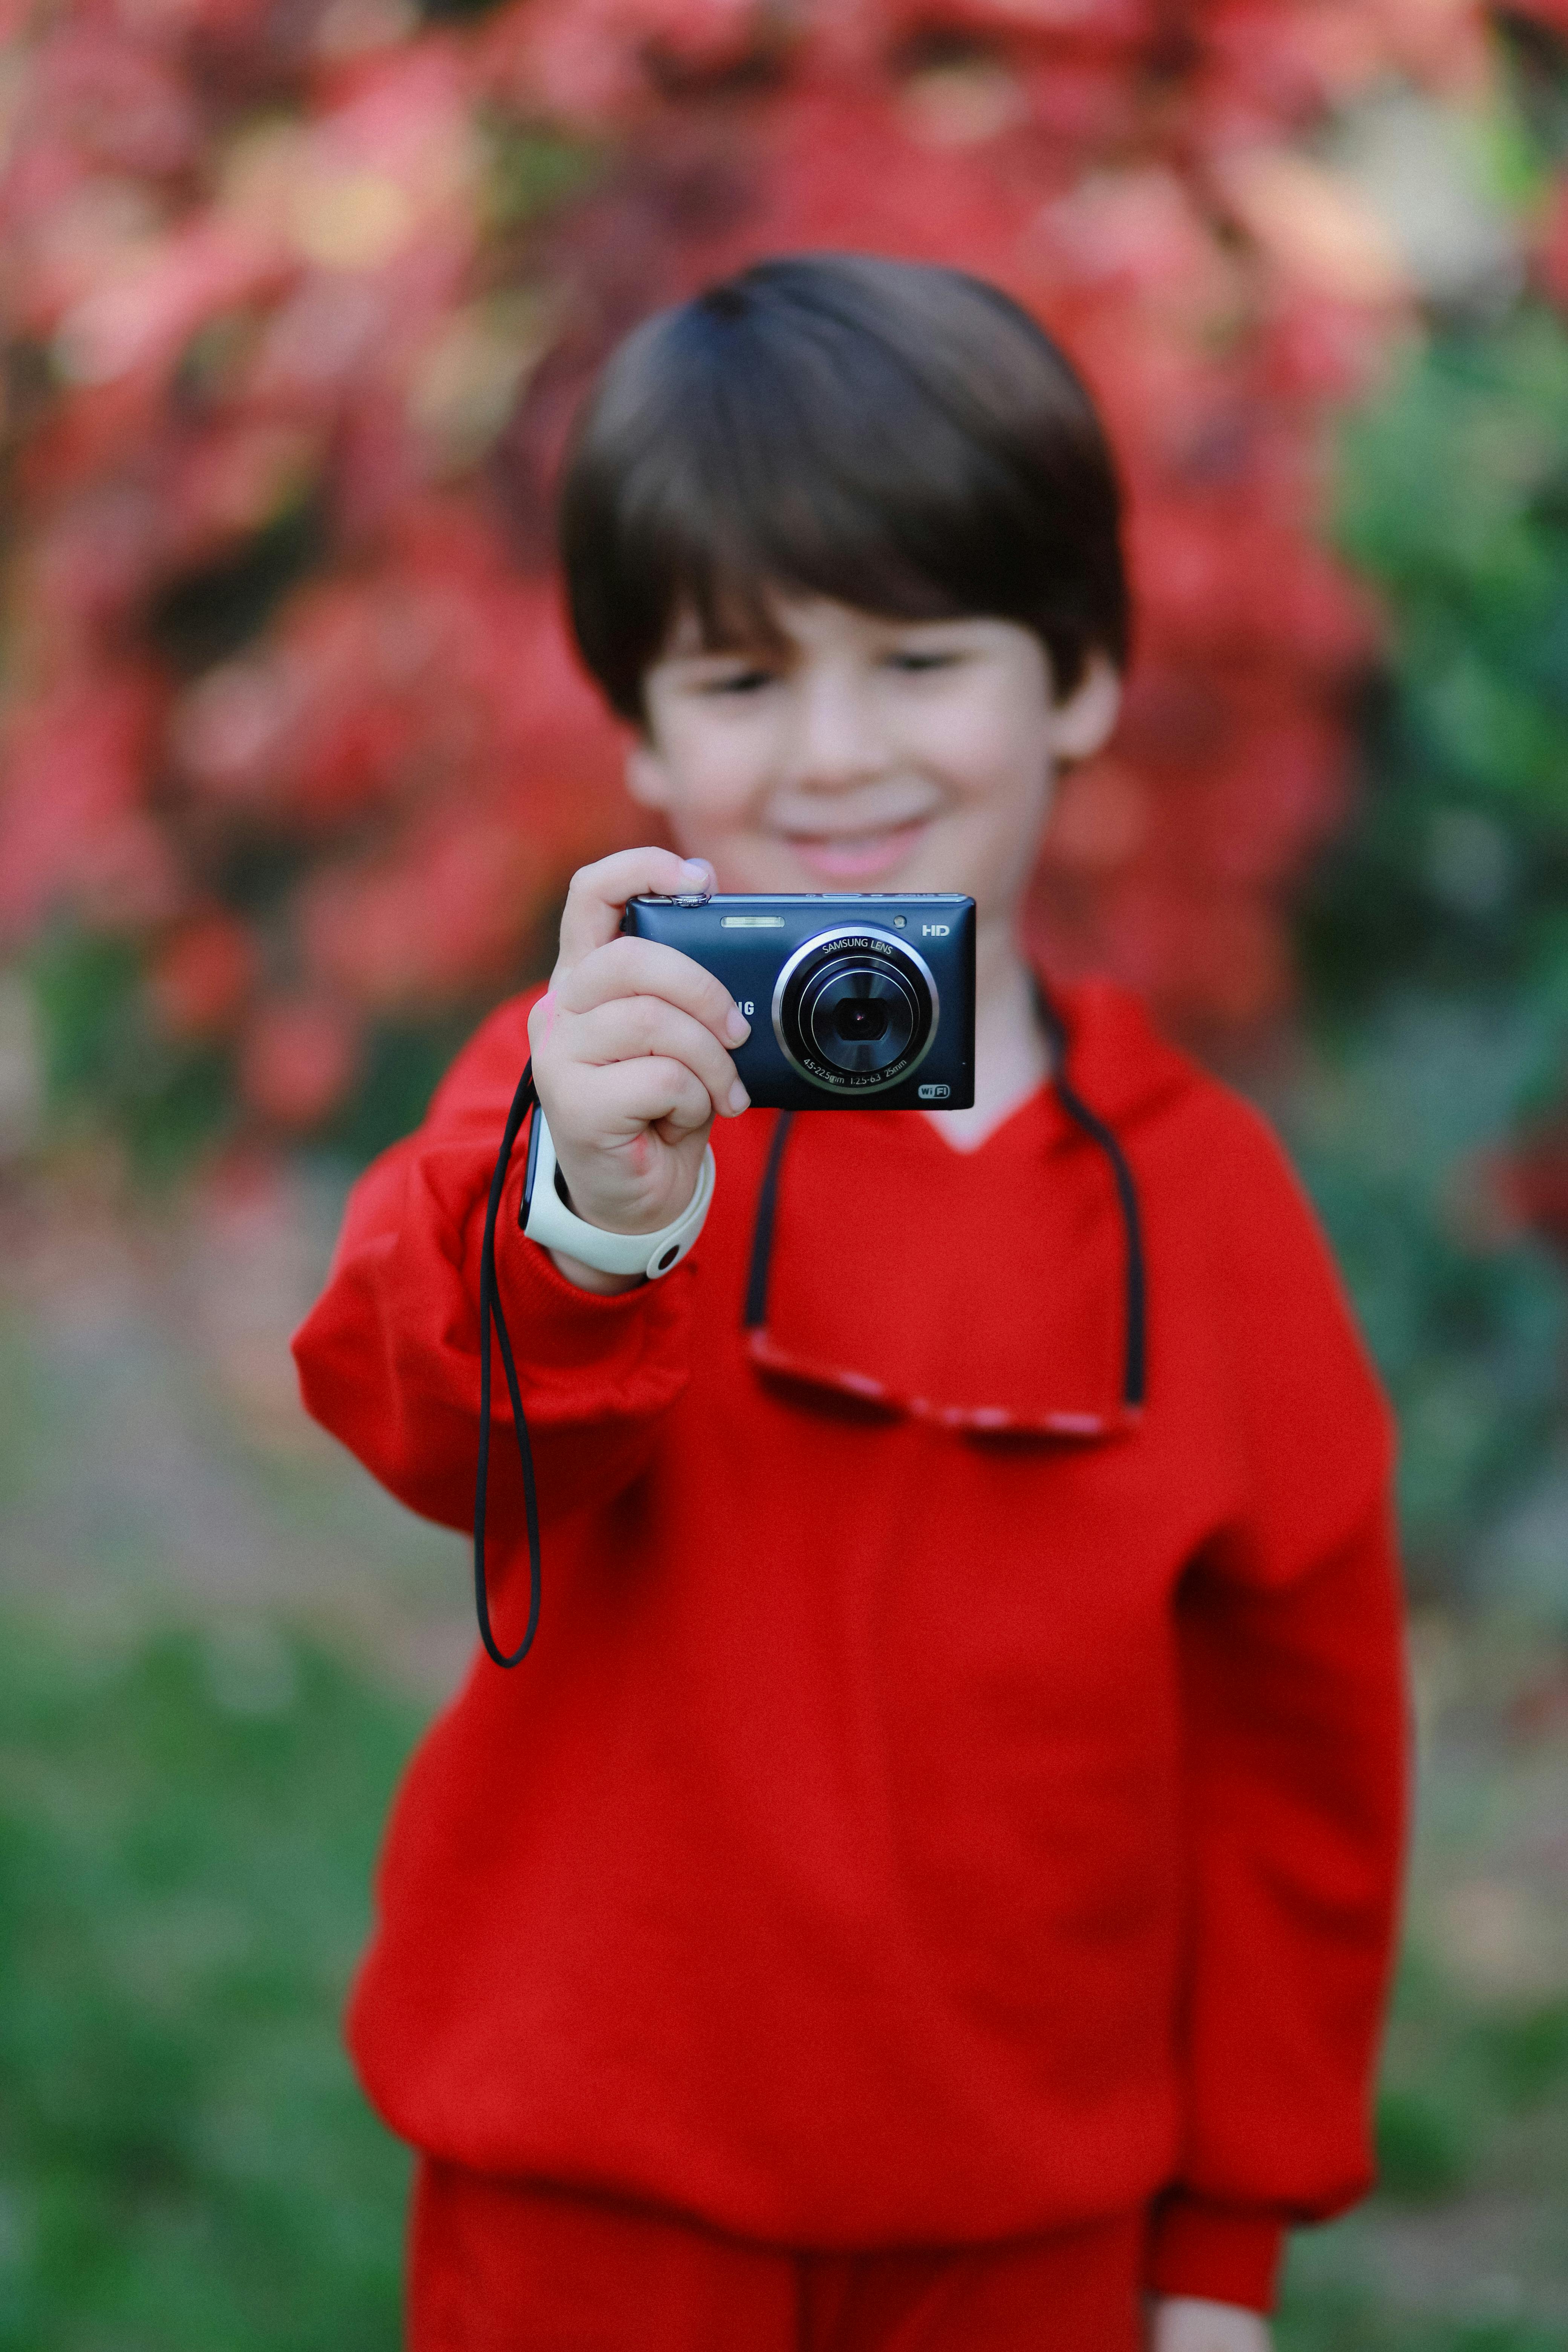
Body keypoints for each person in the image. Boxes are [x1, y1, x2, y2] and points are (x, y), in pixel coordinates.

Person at [293, 254, 1407, 2352]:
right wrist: (593, 1209)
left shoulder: (1214, 1202)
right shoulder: (603, 1082)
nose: (833, 752)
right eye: (738, 681)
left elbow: (1301, 1760)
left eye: (918, 660)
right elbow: (427, 1418)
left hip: (1031, 2217)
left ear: (1076, 679)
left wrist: (1223, 2252)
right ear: (637, 731)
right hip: (596, 2187)